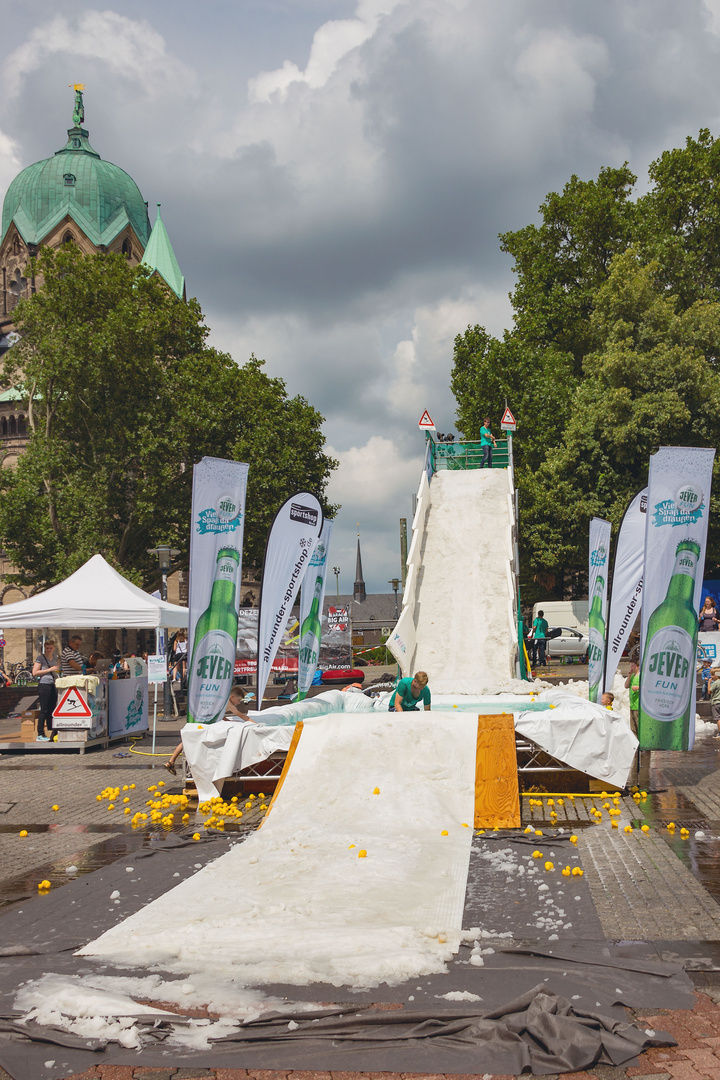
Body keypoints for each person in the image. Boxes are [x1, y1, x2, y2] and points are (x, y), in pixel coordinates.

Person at [164, 685, 256, 775]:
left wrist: (230, 721)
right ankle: (174, 761)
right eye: (238, 700)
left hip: (201, 718)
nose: (239, 703)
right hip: (205, 722)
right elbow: (242, 716)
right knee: (188, 740)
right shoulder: (229, 704)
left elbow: (219, 715)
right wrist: (254, 723)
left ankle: (171, 761)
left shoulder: (222, 700)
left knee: (186, 740)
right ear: (232, 697)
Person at [32, 639, 60, 741]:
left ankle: (51, 731)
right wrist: (49, 669)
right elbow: (34, 672)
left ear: (54, 648)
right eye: (47, 648)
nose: (48, 650)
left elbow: (57, 668)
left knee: (52, 708)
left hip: (53, 684)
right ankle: (40, 733)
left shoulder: (55, 657)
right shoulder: (41, 658)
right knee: (44, 709)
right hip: (44, 684)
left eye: (50, 648)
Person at [624, 661, 640, 734]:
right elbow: (626, 686)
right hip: (632, 705)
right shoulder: (633, 676)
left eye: (633, 666)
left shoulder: (641, 676)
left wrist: (638, 687)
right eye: (630, 666)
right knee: (633, 728)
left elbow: (648, 687)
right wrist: (629, 676)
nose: (631, 668)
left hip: (639, 706)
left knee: (639, 726)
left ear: (638, 666)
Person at [709, 667, 720, 738]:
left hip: (716, 702)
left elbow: (709, 691)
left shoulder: (715, 683)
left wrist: (709, 683)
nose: (711, 676)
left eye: (713, 675)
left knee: (718, 718)